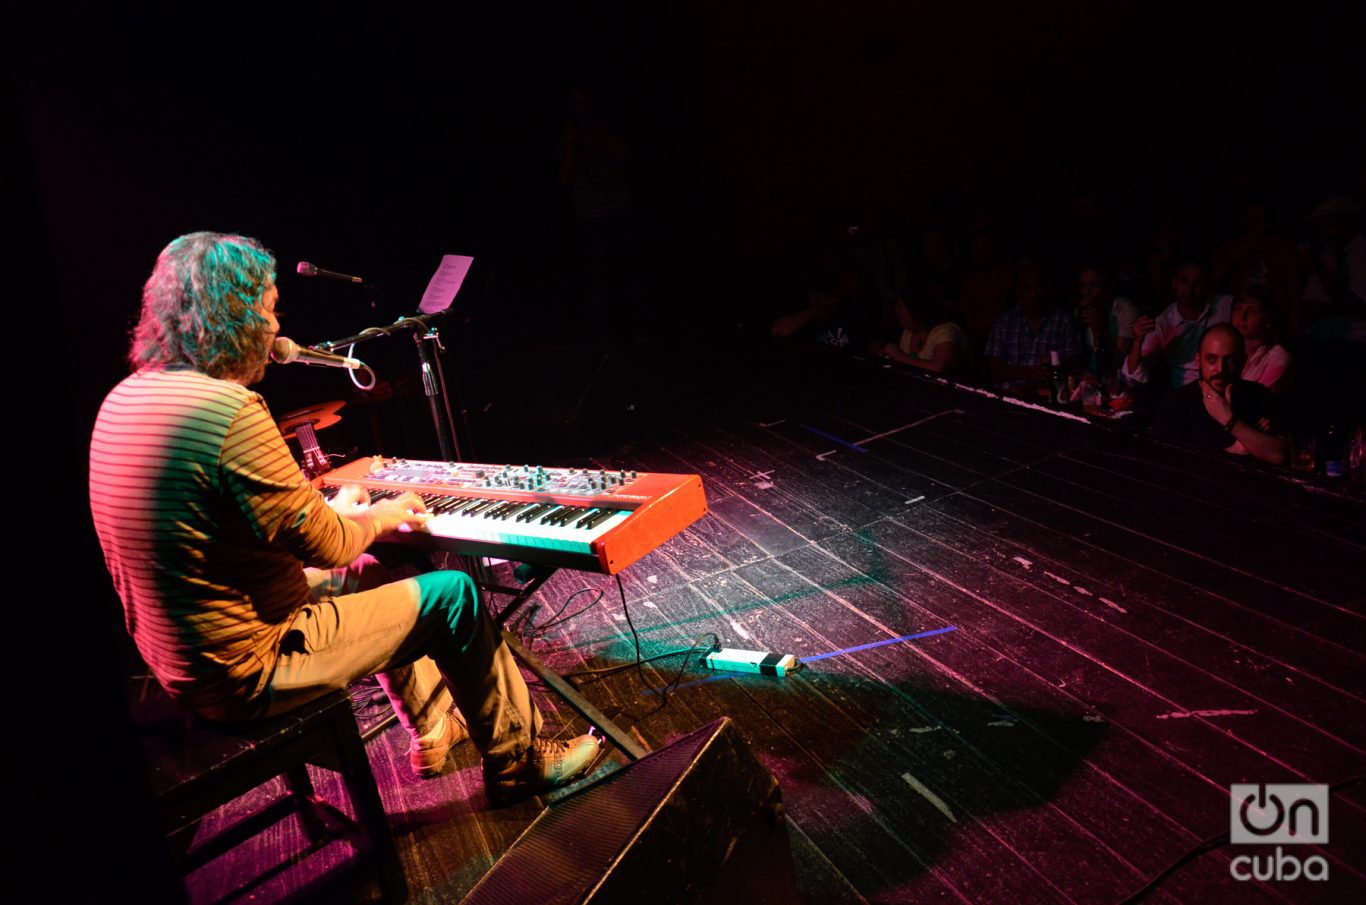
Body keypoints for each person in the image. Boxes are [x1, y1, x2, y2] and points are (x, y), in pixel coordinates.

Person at [89, 232, 600, 806]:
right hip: (247, 668)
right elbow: (325, 544)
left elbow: (223, 532)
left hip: (179, 658)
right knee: (452, 595)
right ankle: (519, 764)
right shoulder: (228, 410)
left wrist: (331, 518)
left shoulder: (126, 400)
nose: (274, 327)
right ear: (232, 315)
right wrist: (378, 512)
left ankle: (433, 729)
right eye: (266, 308)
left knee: (365, 569)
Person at [1150, 324, 1288, 464]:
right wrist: (1234, 450)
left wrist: (1229, 420)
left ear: (1242, 361)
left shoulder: (1259, 395)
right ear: (1198, 360)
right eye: (1211, 359)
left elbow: (1279, 455)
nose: (1220, 369)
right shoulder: (1176, 402)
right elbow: (1168, 466)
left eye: (1230, 360)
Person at [1124, 258, 1232, 388]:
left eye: (1196, 283)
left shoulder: (1224, 306)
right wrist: (1137, 342)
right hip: (1188, 391)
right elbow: (1132, 375)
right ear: (1174, 284)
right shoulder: (1164, 324)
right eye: (1184, 282)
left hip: (1226, 383)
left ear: (1206, 286)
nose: (1189, 290)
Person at [983, 257, 1082, 387]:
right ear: (1019, 291)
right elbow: (995, 370)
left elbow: (1074, 363)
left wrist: (1055, 363)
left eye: (1039, 287)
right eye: (1028, 289)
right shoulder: (1003, 322)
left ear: (1047, 289)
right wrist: (1027, 373)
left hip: (1049, 394)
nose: (1035, 294)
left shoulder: (1063, 321)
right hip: (1010, 394)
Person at [874, 295, 971, 376]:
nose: (897, 311)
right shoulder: (908, 333)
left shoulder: (946, 330)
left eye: (901, 306)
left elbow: (938, 370)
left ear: (914, 308)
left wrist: (900, 356)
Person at [1230, 285, 1292, 395]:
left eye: (1252, 311)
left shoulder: (1276, 356)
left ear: (1267, 318)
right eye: (1238, 308)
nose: (1242, 317)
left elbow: (1258, 399)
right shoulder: (1225, 347)